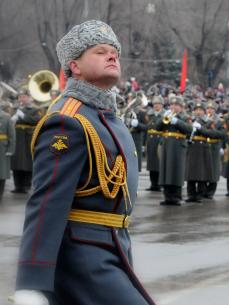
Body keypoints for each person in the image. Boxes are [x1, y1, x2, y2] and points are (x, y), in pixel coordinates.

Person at [13, 20, 155, 305]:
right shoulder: (67, 120)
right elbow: (46, 202)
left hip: (113, 247)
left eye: (114, 51)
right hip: (81, 258)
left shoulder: (104, 117)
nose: (113, 55)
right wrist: (31, 283)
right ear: (74, 66)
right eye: (100, 52)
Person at [156, 95, 193, 206]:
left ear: (181, 107)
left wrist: (177, 122)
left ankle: (176, 196)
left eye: (176, 105)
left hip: (178, 146)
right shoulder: (166, 115)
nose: (173, 107)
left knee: (177, 171)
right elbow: (157, 127)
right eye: (172, 104)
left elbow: (189, 129)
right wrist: (163, 119)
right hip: (166, 145)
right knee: (166, 171)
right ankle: (167, 196)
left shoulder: (185, 117)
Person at [10, 88, 43, 193]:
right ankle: (17, 185)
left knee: (28, 162)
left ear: (29, 98)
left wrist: (23, 116)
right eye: (20, 97)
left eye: (24, 97)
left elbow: (37, 120)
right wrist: (13, 118)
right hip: (17, 137)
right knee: (16, 162)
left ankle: (26, 185)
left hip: (28, 138)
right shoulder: (15, 109)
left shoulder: (35, 109)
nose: (22, 99)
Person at [145, 96, 165, 191]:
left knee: (159, 163)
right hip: (151, 139)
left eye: (158, 104)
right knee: (152, 163)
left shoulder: (165, 115)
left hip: (160, 139)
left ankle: (160, 184)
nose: (156, 106)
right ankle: (153, 184)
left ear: (162, 105)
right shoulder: (149, 114)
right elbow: (146, 127)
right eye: (155, 104)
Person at [0, 102, 15, 200]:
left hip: (2, 148)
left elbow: (12, 135)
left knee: (2, 172)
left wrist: (10, 149)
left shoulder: (6, 117)